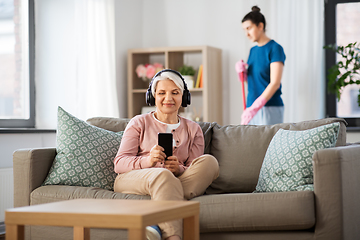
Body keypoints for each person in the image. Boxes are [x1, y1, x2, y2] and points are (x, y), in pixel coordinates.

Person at [113, 69, 219, 240]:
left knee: (209, 162)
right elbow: (119, 163)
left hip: (174, 179)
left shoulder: (193, 129)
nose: (168, 98)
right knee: (162, 175)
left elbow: (193, 168)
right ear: (153, 96)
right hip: (134, 179)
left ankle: (158, 214)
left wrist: (179, 169)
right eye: (162, 93)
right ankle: (172, 236)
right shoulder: (139, 122)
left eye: (175, 93)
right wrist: (148, 161)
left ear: (183, 97)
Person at [236, 6, 286, 125]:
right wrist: (242, 74)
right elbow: (254, 82)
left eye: (249, 28)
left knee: (268, 143)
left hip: (270, 107)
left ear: (260, 26)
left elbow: (275, 83)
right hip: (251, 107)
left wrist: (256, 107)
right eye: (244, 30)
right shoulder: (253, 51)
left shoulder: (275, 49)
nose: (246, 34)